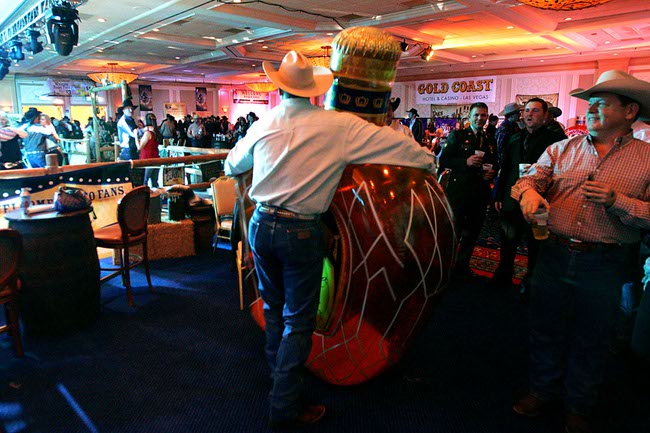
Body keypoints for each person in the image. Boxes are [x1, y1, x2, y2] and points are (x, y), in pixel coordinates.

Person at [224, 50, 435, 429]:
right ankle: (283, 405)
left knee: (274, 310)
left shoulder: (264, 122)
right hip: (299, 231)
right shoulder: (337, 126)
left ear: (280, 86)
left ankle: (279, 382)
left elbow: (231, 165)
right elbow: (404, 150)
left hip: (261, 224)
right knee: (298, 321)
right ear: (315, 92)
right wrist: (430, 161)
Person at [511, 70, 650, 433]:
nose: (591, 109)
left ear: (630, 111)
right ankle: (542, 390)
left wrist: (619, 202)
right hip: (553, 254)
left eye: (602, 103)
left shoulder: (647, 158)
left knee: (595, 337)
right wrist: (528, 194)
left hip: (606, 262)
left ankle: (579, 404)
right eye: (590, 103)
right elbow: (528, 179)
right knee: (546, 329)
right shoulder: (561, 149)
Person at [490, 98, 566, 294]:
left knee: (537, 242)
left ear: (545, 115)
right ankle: (504, 274)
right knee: (508, 240)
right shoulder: (514, 138)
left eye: (535, 111)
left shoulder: (555, 141)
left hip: (540, 201)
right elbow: (505, 168)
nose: (529, 114)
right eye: (527, 111)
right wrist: (499, 194)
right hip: (511, 198)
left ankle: (532, 281)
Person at [438, 102, 497, 278]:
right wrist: (465, 162)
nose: (480, 118)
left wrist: (491, 173)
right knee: (453, 232)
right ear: (469, 117)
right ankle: (444, 268)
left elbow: (495, 162)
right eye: (476, 115)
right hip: (459, 192)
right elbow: (444, 161)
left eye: (483, 115)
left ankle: (462, 266)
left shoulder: (489, 139)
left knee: (472, 232)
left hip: (479, 193)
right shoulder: (458, 135)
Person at [495, 102, 523, 167]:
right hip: (506, 163)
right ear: (512, 115)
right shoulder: (504, 129)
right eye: (518, 113)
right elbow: (499, 149)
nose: (520, 115)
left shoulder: (515, 125)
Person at [138, 113, 161, 188]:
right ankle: (156, 197)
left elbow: (139, 147)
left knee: (144, 181)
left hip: (147, 159)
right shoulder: (156, 132)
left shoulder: (147, 133)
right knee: (154, 182)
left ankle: (145, 198)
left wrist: (135, 135)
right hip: (156, 158)